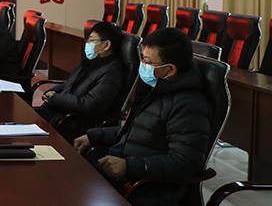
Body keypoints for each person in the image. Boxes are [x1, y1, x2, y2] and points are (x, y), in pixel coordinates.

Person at [73, 28, 212, 206]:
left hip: (146, 190)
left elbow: (184, 162)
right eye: (142, 59)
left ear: (170, 69)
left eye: (148, 61)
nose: (143, 65)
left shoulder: (188, 105)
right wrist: (92, 136)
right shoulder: (156, 88)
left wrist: (128, 166)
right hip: (122, 178)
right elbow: (136, 132)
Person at [36, 21, 125, 142]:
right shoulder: (90, 63)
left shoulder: (111, 73)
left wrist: (55, 98)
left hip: (73, 123)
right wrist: (52, 92)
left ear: (106, 45)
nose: (87, 44)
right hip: (58, 112)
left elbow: (88, 104)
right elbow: (69, 85)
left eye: (91, 40)